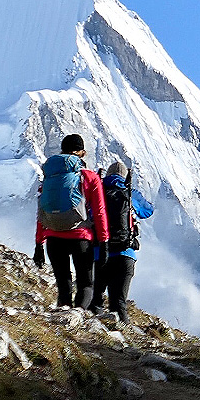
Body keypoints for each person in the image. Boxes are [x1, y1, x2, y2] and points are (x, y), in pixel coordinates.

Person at [34, 134, 109, 310]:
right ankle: (78, 317)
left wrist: (39, 243)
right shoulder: (89, 177)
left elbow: (41, 210)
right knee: (85, 284)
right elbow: (99, 212)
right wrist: (104, 241)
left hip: (53, 238)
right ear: (82, 153)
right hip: (81, 238)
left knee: (63, 284)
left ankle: (63, 319)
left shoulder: (50, 177)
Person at [90, 160, 153, 322]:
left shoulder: (98, 190)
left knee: (95, 299)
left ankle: (94, 335)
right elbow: (148, 211)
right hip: (126, 254)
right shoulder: (129, 192)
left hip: (99, 254)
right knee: (119, 303)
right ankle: (124, 341)